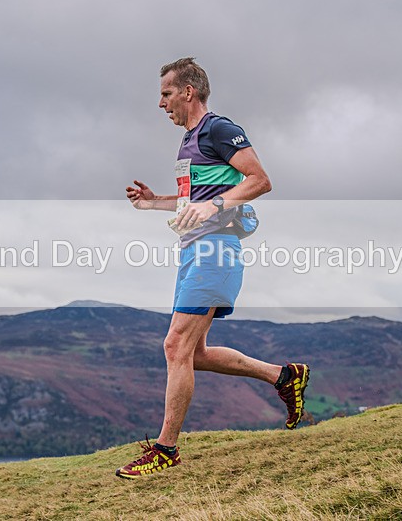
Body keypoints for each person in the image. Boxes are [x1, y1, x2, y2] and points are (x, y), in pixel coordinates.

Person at [116, 58, 309, 479]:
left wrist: (215, 205)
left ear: (188, 91)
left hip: (215, 251)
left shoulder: (218, 128)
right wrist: (155, 202)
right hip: (192, 253)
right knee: (194, 354)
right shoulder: (189, 142)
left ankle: (166, 449)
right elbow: (195, 203)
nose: (161, 103)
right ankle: (284, 376)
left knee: (175, 347)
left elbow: (260, 180)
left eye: (166, 93)